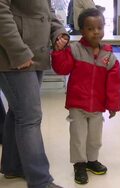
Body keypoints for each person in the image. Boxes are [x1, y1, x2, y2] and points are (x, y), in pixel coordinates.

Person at [0, 1, 69, 188]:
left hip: (34, 55)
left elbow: (48, 11)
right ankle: (40, 181)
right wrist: (18, 51)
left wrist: (58, 32)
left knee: (18, 112)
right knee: (30, 117)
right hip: (14, 56)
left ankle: (12, 166)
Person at [51, 8, 120, 185]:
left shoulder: (109, 57)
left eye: (99, 27)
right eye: (90, 28)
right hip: (77, 105)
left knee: (95, 138)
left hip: (97, 107)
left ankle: (91, 160)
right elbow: (62, 69)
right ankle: (79, 164)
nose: (96, 32)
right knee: (78, 137)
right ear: (81, 30)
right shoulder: (75, 50)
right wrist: (59, 52)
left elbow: (114, 85)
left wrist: (113, 105)